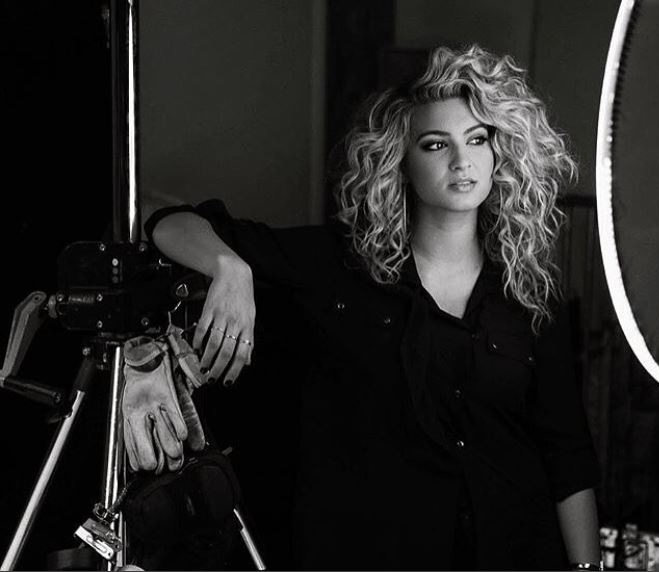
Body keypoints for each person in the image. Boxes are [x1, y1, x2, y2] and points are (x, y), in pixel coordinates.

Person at [139, 44, 601, 570]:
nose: (461, 161)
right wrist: (229, 267)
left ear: (500, 152)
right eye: (435, 144)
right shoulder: (339, 267)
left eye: (477, 139)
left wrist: (588, 568)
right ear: (400, 161)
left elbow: (568, 455)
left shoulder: (529, 291)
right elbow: (158, 217)